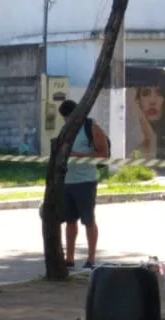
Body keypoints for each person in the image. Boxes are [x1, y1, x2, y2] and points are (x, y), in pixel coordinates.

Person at [57, 99, 109, 270]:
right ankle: (69, 258)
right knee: (70, 221)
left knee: (88, 221)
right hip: (67, 181)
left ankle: (91, 259)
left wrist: (78, 156)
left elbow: (104, 154)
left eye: (69, 116)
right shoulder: (66, 129)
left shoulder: (91, 127)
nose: (67, 120)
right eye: (65, 118)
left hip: (86, 181)